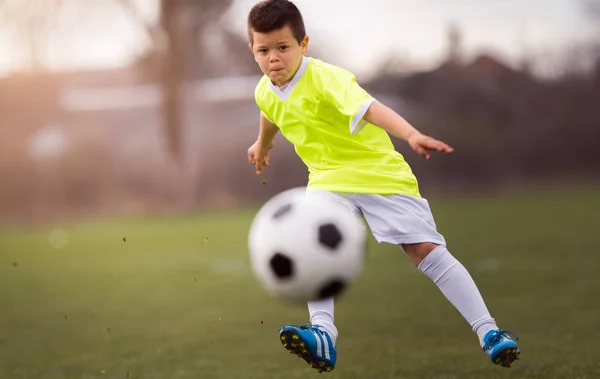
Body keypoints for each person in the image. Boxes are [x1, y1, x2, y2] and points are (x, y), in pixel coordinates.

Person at [245, 0, 520, 373]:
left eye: (283, 47)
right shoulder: (264, 89)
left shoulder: (327, 78)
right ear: (253, 50)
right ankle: (323, 334)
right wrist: (263, 144)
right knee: (307, 242)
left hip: (379, 172)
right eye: (264, 50)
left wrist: (411, 134)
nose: (273, 58)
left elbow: (371, 108)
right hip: (327, 180)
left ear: (303, 44)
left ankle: (490, 332)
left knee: (424, 250)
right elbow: (270, 109)